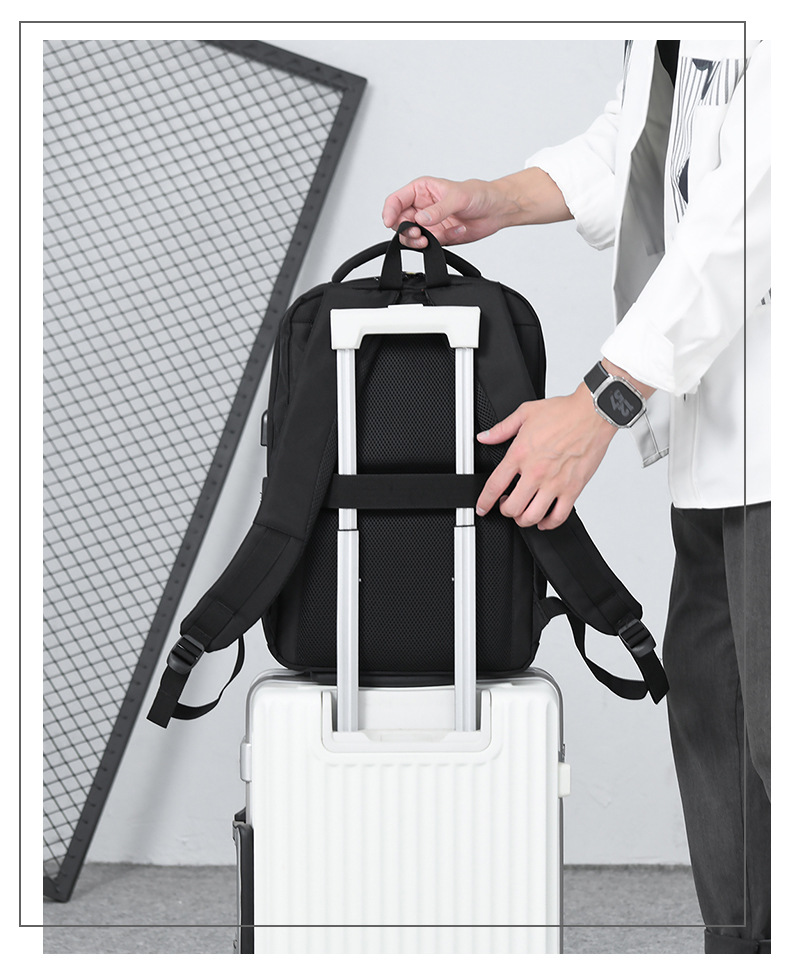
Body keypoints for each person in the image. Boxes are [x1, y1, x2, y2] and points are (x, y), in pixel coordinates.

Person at [382, 40, 770, 954]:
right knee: (721, 736)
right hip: (719, 437)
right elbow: (646, 136)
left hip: (767, 424)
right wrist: (498, 198)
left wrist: (605, 398)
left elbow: (756, 205)